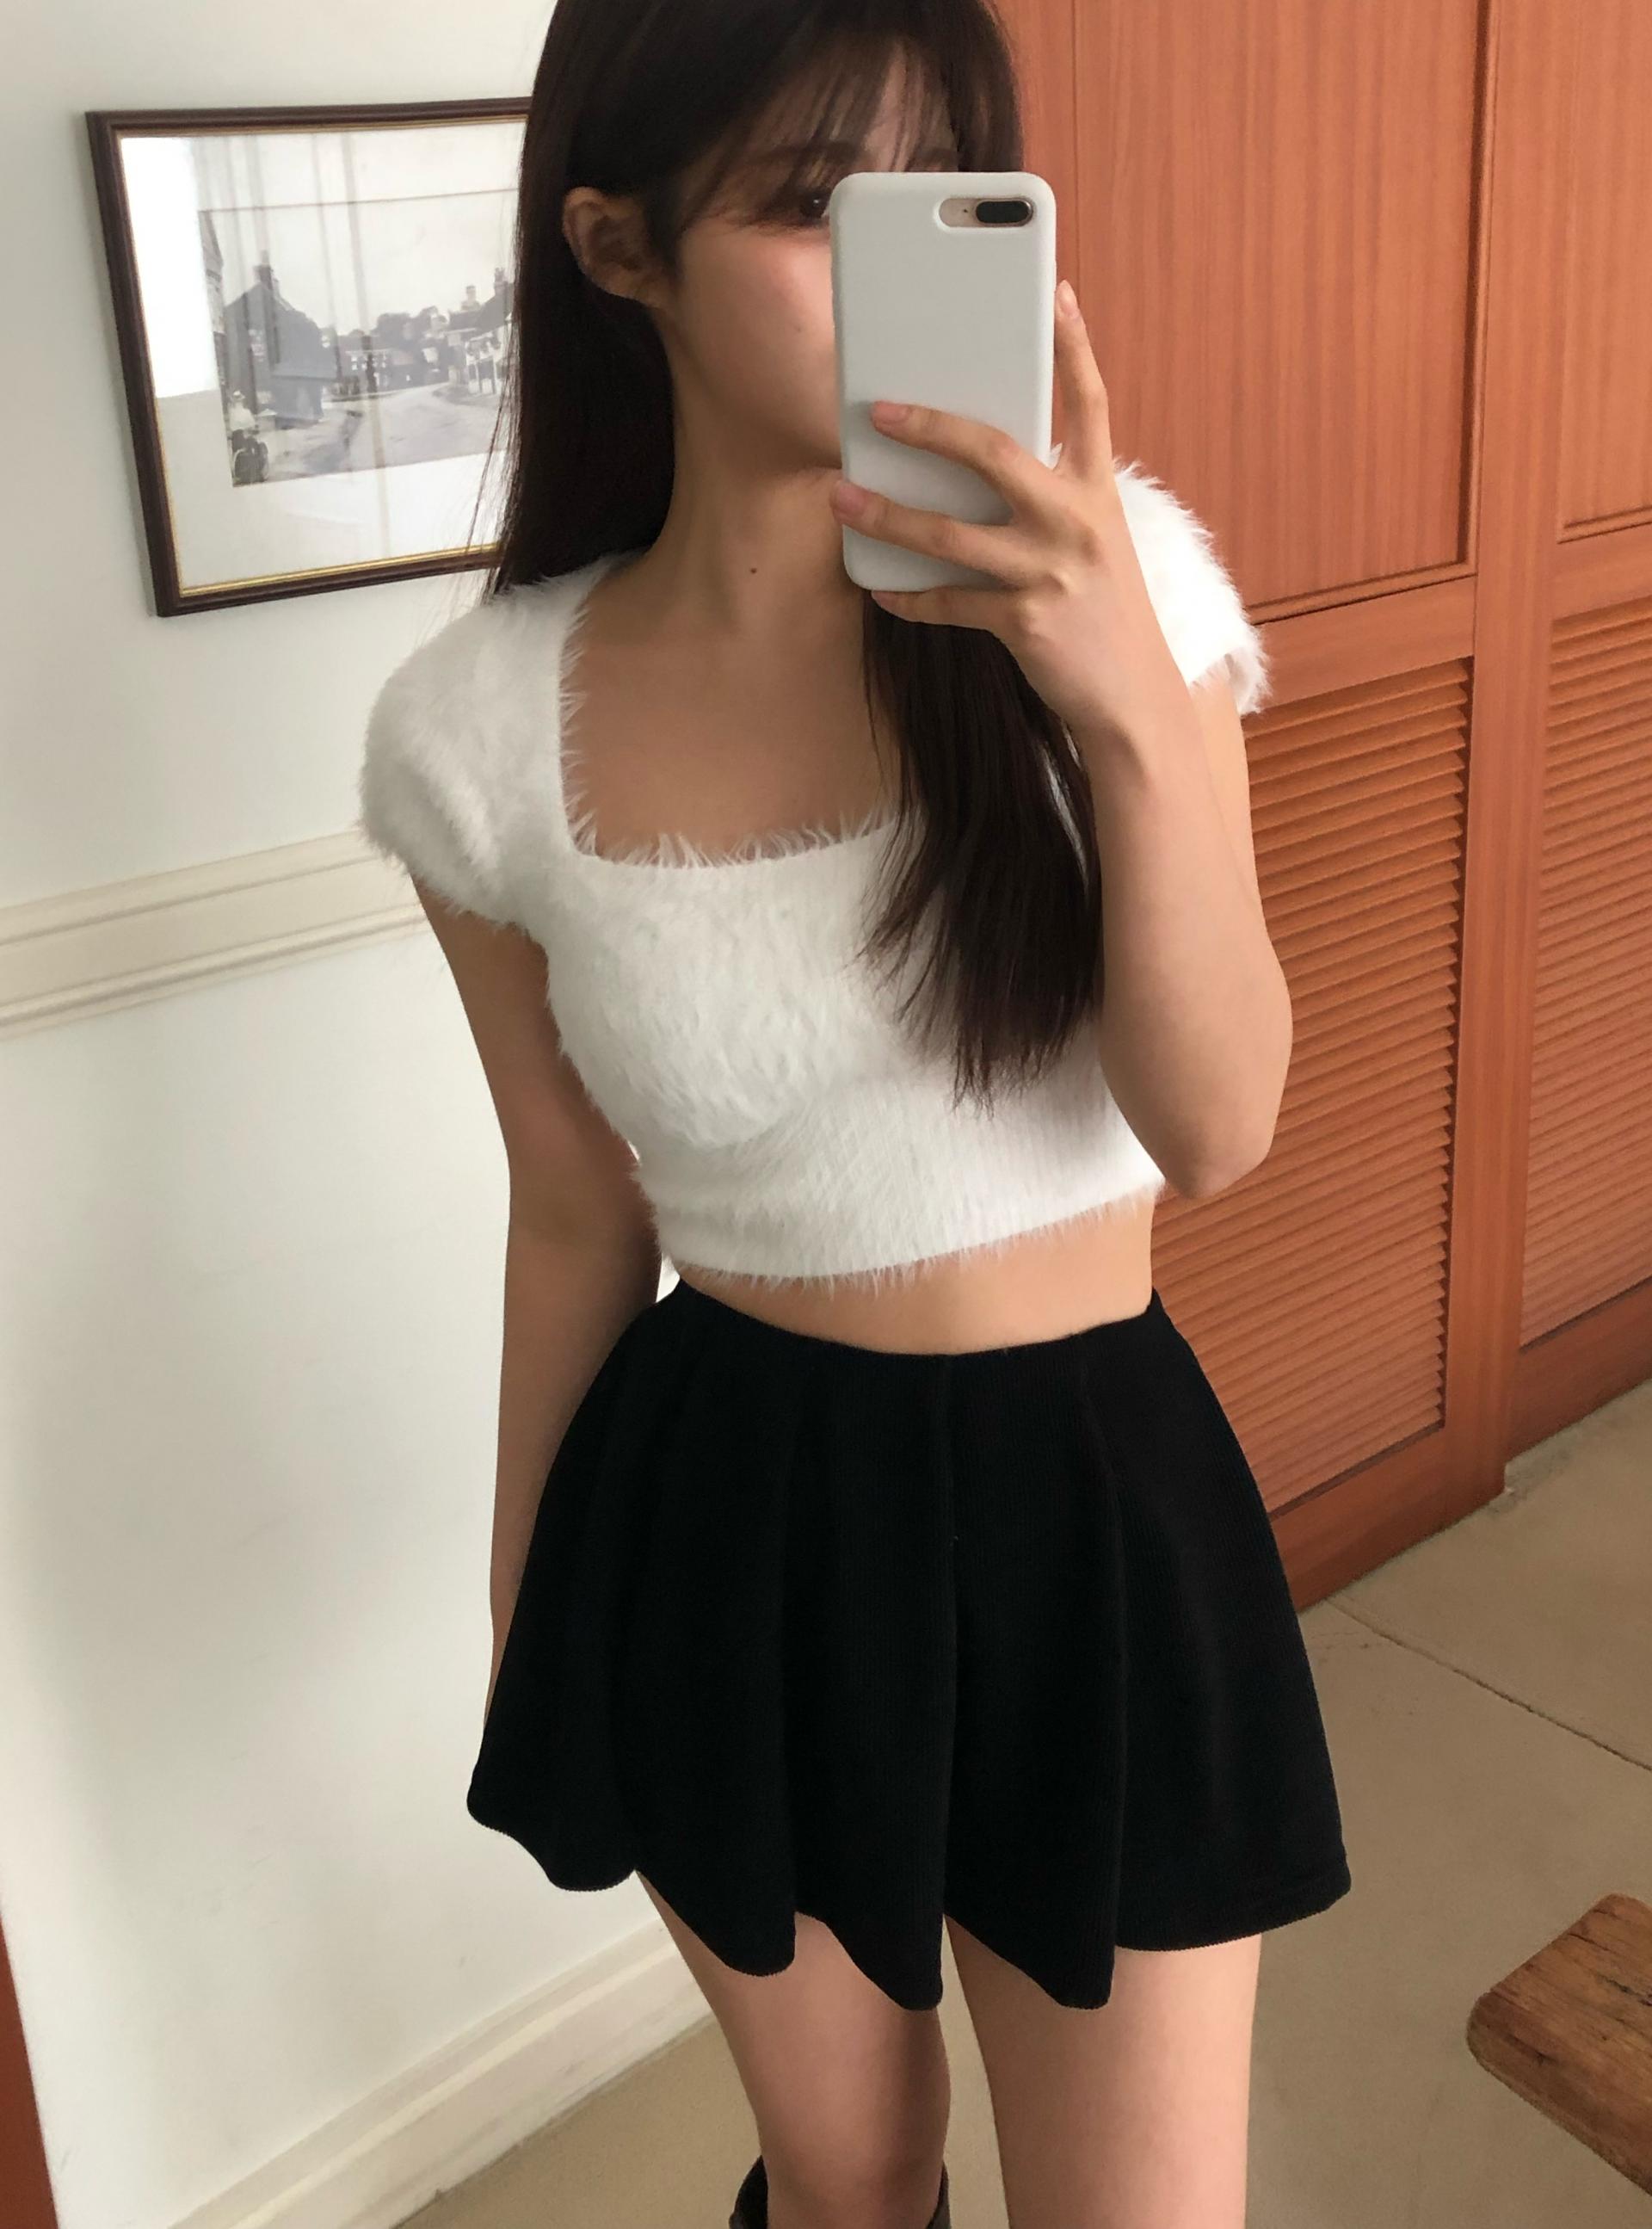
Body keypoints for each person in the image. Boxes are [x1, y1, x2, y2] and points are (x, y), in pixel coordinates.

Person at [358, 6, 1351, 2226]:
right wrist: (532, 1596)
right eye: (817, 206)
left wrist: (1117, 704)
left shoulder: (1129, 593)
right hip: (723, 1523)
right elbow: (571, 1213)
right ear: (617, 249)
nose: (897, 264)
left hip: (1093, 1507)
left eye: (943, 196)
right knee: (851, 2182)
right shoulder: (476, 734)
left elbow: (1219, 1127)